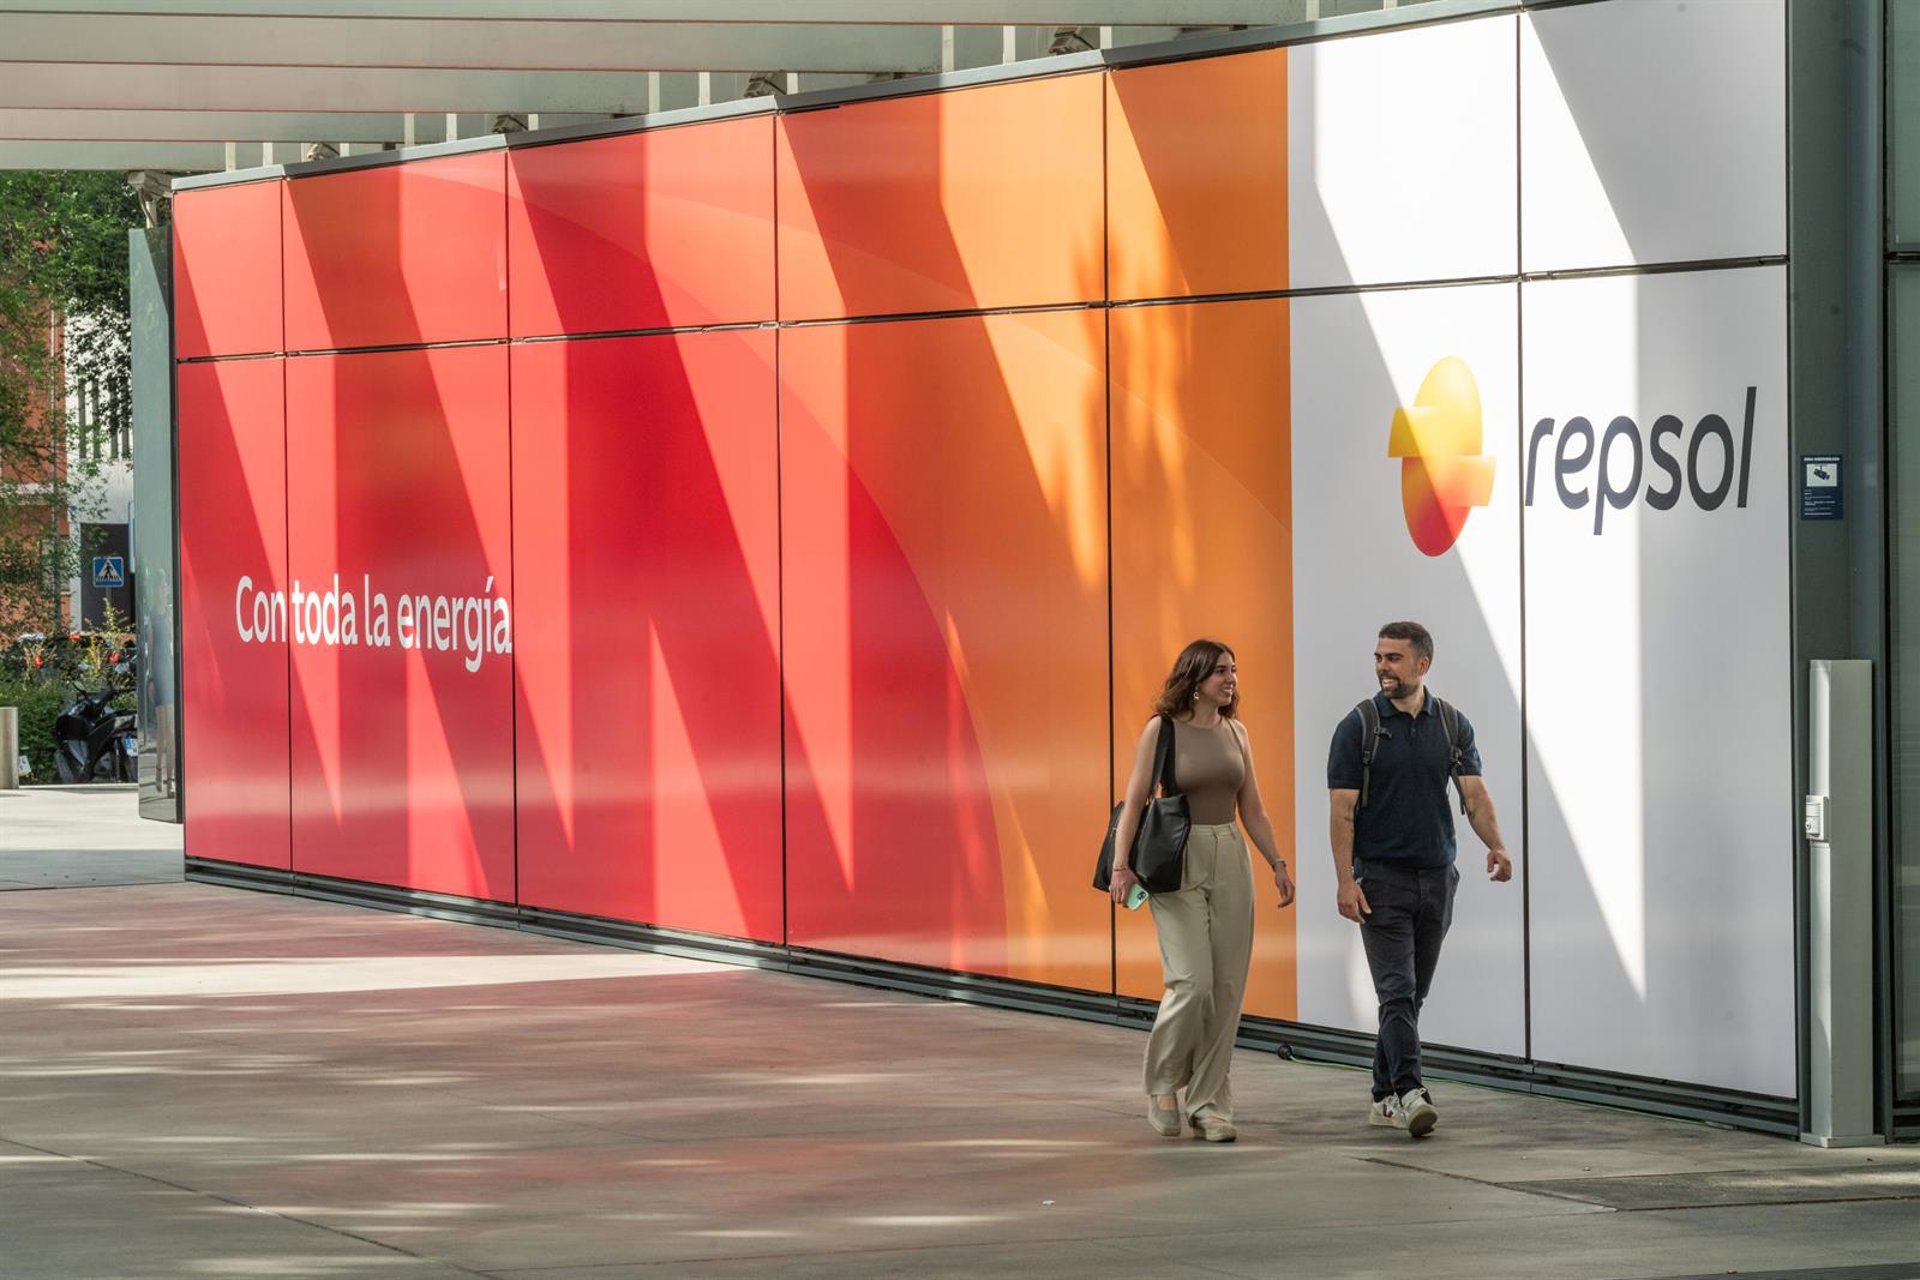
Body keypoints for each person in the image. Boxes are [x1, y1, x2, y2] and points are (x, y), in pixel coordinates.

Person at [1326, 621, 1511, 1139]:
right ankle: (1411, 1092)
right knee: (1397, 990)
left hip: (1438, 879)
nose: (1382, 667)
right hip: (1380, 880)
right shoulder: (1357, 727)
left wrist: (1496, 845)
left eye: (1393, 658)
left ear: (1422, 664)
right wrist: (1345, 881)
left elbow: (1474, 796)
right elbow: (1341, 812)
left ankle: (1382, 1095)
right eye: (1378, 657)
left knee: (1410, 997)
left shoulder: (1450, 724)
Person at [1110, 638, 1294, 1143]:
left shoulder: (1237, 732)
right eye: (1219, 671)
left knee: (1227, 990)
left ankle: (1209, 1104)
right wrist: (1122, 867)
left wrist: (1277, 863)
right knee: (1192, 982)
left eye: (1233, 670)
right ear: (1194, 679)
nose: (1230, 679)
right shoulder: (1162, 729)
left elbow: (1252, 808)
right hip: (1177, 859)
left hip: (1231, 853)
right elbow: (1134, 801)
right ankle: (1162, 1083)